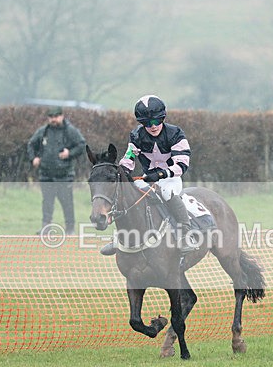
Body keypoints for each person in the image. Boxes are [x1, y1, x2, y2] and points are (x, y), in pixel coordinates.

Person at [100, 95, 198, 255]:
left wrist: (161, 174)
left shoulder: (176, 134)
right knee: (129, 193)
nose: (152, 127)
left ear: (163, 118)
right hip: (148, 178)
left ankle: (186, 235)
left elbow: (182, 165)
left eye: (156, 121)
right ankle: (119, 237)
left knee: (167, 192)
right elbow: (129, 158)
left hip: (170, 178)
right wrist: (121, 172)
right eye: (146, 123)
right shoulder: (137, 136)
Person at [27, 106, 86, 234]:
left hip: (64, 175)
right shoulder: (43, 131)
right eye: (51, 117)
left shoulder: (70, 131)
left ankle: (70, 228)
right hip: (46, 174)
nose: (53, 119)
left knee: (67, 203)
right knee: (47, 203)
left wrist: (70, 153)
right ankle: (46, 227)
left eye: (56, 116)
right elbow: (31, 144)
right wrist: (34, 158)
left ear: (61, 116)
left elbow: (81, 145)